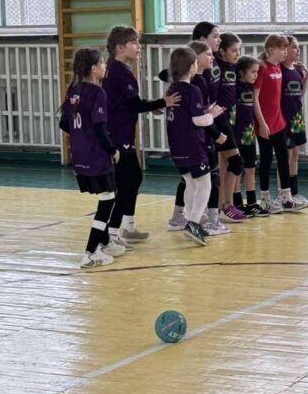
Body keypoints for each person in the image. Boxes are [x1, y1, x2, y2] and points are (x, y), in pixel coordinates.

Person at [103, 26, 179, 246]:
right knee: (126, 182)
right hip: (118, 135)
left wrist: (150, 105)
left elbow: (129, 102)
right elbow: (134, 105)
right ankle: (112, 233)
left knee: (134, 177)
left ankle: (128, 226)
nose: (139, 47)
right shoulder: (119, 71)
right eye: (134, 43)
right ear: (120, 47)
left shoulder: (118, 69)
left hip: (123, 132)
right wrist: (162, 102)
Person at [59, 48, 122, 268]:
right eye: (102, 63)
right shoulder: (98, 93)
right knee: (108, 200)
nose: (105, 66)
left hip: (79, 155)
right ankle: (90, 252)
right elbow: (98, 128)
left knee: (106, 196)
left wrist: (80, 137)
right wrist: (112, 150)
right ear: (94, 69)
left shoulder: (73, 90)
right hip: (96, 155)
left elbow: (64, 123)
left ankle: (104, 243)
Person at [165, 46, 224, 246]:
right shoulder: (193, 90)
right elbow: (198, 120)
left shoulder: (172, 89)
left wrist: (204, 113)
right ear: (192, 67)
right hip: (193, 145)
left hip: (176, 145)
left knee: (190, 183)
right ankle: (193, 224)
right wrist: (212, 115)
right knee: (205, 185)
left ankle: (193, 222)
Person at [254, 35, 307, 213]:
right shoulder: (263, 69)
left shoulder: (278, 67)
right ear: (271, 50)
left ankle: (286, 198)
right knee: (266, 160)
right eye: (282, 48)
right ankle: (265, 199)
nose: (285, 51)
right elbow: (255, 98)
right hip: (265, 124)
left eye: (286, 48)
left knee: (284, 158)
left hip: (279, 123)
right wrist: (261, 123)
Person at [215, 33, 248, 223]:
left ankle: (220, 206)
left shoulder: (234, 67)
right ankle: (226, 205)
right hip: (219, 121)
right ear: (222, 51)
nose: (237, 54)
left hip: (231, 121)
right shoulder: (215, 67)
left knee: (225, 165)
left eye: (239, 50)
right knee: (237, 162)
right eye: (234, 50)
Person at [231, 56, 267, 217]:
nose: (256, 75)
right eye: (253, 72)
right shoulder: (234, 88)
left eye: (257, 72)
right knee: (237, 170)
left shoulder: (252, 88)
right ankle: (237, 203)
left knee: (251, 168)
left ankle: (252, 203)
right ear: (241, 72)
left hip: (249, 135)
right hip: (235, 135)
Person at [282, 35, 308, 207]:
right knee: (285, 156)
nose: (298, 50)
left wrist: (306, 79)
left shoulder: (298, 70)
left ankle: (294, 192)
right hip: (284, 120)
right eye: (294, 47)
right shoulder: (280, 70)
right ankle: (284, 194)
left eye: (298, 47)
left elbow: (299, 95)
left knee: (295, 154)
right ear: (284, 50)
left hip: (297, 119)